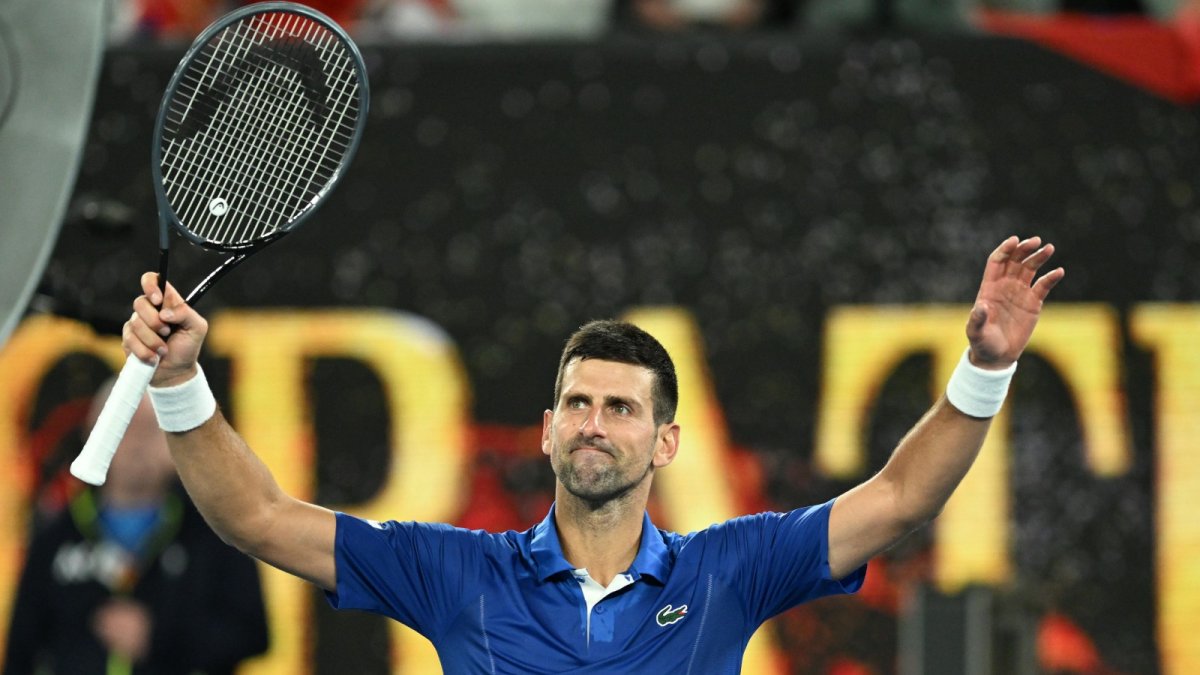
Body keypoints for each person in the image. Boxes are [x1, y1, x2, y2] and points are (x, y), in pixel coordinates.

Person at [118, 235, 1062, 672]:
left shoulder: (731, 567)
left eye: (619, 406)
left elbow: (899, 499)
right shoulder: (455, 571)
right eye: (576, 402)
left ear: (666, 442)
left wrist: (984, 367)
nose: (594, 422)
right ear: (546, 428)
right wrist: (180, 381)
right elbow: (255, 516)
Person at [3, 385, 269, 675]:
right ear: (93, 435)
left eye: (153, 428)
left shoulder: (216, 531)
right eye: (124, 425)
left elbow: (252, 635)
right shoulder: (55, 536)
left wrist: (157, 637)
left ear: (177, 439)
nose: (138, 442)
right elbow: (21, 650)